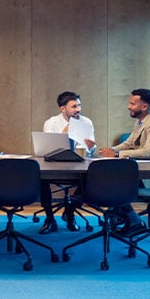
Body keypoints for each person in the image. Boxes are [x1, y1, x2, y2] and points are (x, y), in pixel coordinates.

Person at [97, 88, 150, 236]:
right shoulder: (141, 121)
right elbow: (129, 143)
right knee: (108, 178)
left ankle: (132, 220)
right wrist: (111, 150)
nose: (128, 107)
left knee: (113, 184)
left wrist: (117, 154)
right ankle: (122, 216)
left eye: (132, 104)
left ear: (144, 106)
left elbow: (148, 152)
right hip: (141, 170)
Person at [38, 91, 97, 234]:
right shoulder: (51, 123)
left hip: (78, 165)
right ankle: (49, 219)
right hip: (54, 165)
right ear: (63, 108)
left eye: (79, 105)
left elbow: (90, 150)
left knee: (91, 178)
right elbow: (48, 148)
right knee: (41, 178)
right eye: (74, 106)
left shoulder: (86, 122)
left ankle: (70, 212)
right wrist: (66, 132)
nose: (78, 109)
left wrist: (91, 146)